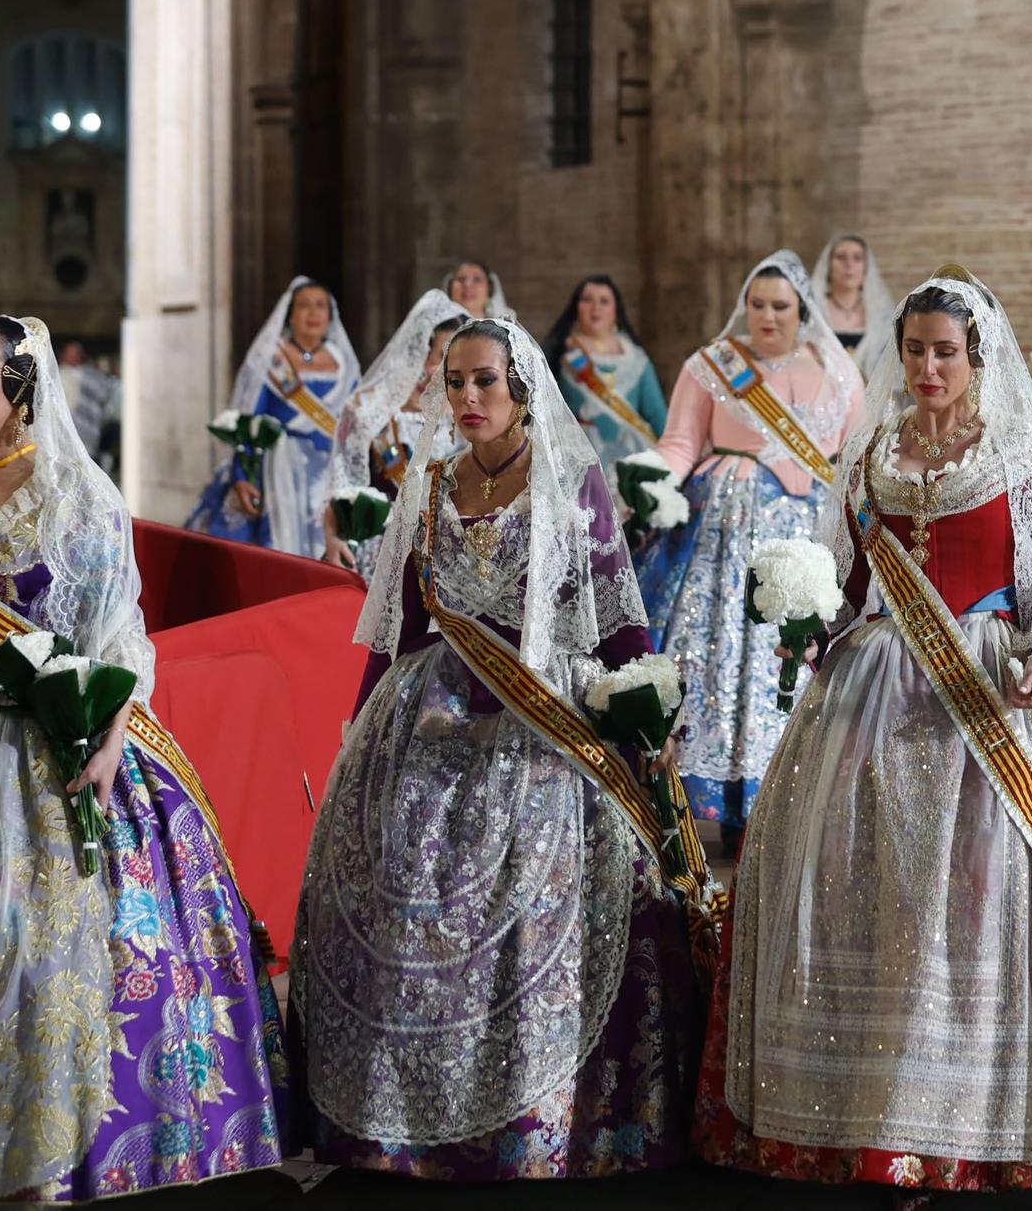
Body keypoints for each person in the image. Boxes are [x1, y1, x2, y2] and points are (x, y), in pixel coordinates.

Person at [695, 264, 1032, 1192]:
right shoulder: (872, 448)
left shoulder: (1020, 455)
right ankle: (850, 1108)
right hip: (871, 687)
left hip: (988, 686)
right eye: (913, 349)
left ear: (976, 354)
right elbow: (848, 580)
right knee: (849, 874)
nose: (925, 366)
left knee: (971, 890)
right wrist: (812, 625)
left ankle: (969, 1109)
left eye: (943, 351)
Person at [287, 318, 718, 1182]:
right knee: (400, 889)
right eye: (455, 383)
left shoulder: (572, 480)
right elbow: (402, 621)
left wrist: (642, 711)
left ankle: (540, 1116)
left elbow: (615, 613)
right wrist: (362, 720)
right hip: (429, 716)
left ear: (521, 388)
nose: (468, 399)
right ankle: (400, 1122)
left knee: (538, 896)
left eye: (485, 381)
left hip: (541, 716)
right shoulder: (432, 480)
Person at [0, 315, 289, 1202]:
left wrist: (110, 735)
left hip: (36, 756)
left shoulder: (69, 495)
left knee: (27, 948)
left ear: (21, 388)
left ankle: (41, 1147)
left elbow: (116, 633)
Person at [636, 250, 864, 846]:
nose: (767, 316)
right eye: (757, 304)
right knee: (717, 652)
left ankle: (782, 799)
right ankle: (704, 808)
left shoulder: (837, 370)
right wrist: (649, 475)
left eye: (780, 306)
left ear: (802, 310)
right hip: (721, 536)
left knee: (787, 656)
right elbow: (680, 442)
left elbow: (855, 456)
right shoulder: (712, 365)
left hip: (801, 540)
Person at [185, 276, 360, 557]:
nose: (313, 313)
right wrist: (243, 475)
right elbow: (250, 423)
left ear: (330, 315)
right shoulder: (272, 359)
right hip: (276, 472)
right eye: (304, 305)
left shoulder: (344, 363)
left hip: (326, 477)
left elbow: (353, 425)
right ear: (290, 314)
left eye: (320, 306)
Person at [320, 289, 467, 574]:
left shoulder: (463, 416)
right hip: (376, 557)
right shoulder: (367, 410)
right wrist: (334, 535)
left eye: (454, 357)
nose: (440, 367)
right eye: (439, 354)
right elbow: (342, 482)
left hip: (443, 557)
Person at [544, 273, 668, 467]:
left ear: (616, 310)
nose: (596, 308)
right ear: (576, 308)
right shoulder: (563, 352)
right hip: (579, 455)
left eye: (604, 301)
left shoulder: (636, 358)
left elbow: (656, 412)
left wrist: (672, 454)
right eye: (587, 300)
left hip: (631, 453)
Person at [811, 232, 895, 380]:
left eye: (857, 258)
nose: (848, 264)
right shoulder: (814, 312)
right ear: (828, 267)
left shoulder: (881, 315)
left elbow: (890, 369)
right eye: (840, 257)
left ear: (866, 268)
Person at [442, 258, 511, 320]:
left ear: (490, 288)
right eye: (461, 279)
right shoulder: (434, 328)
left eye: (477, 279)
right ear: (449, 286)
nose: (467, 285)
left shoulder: (507, 325)